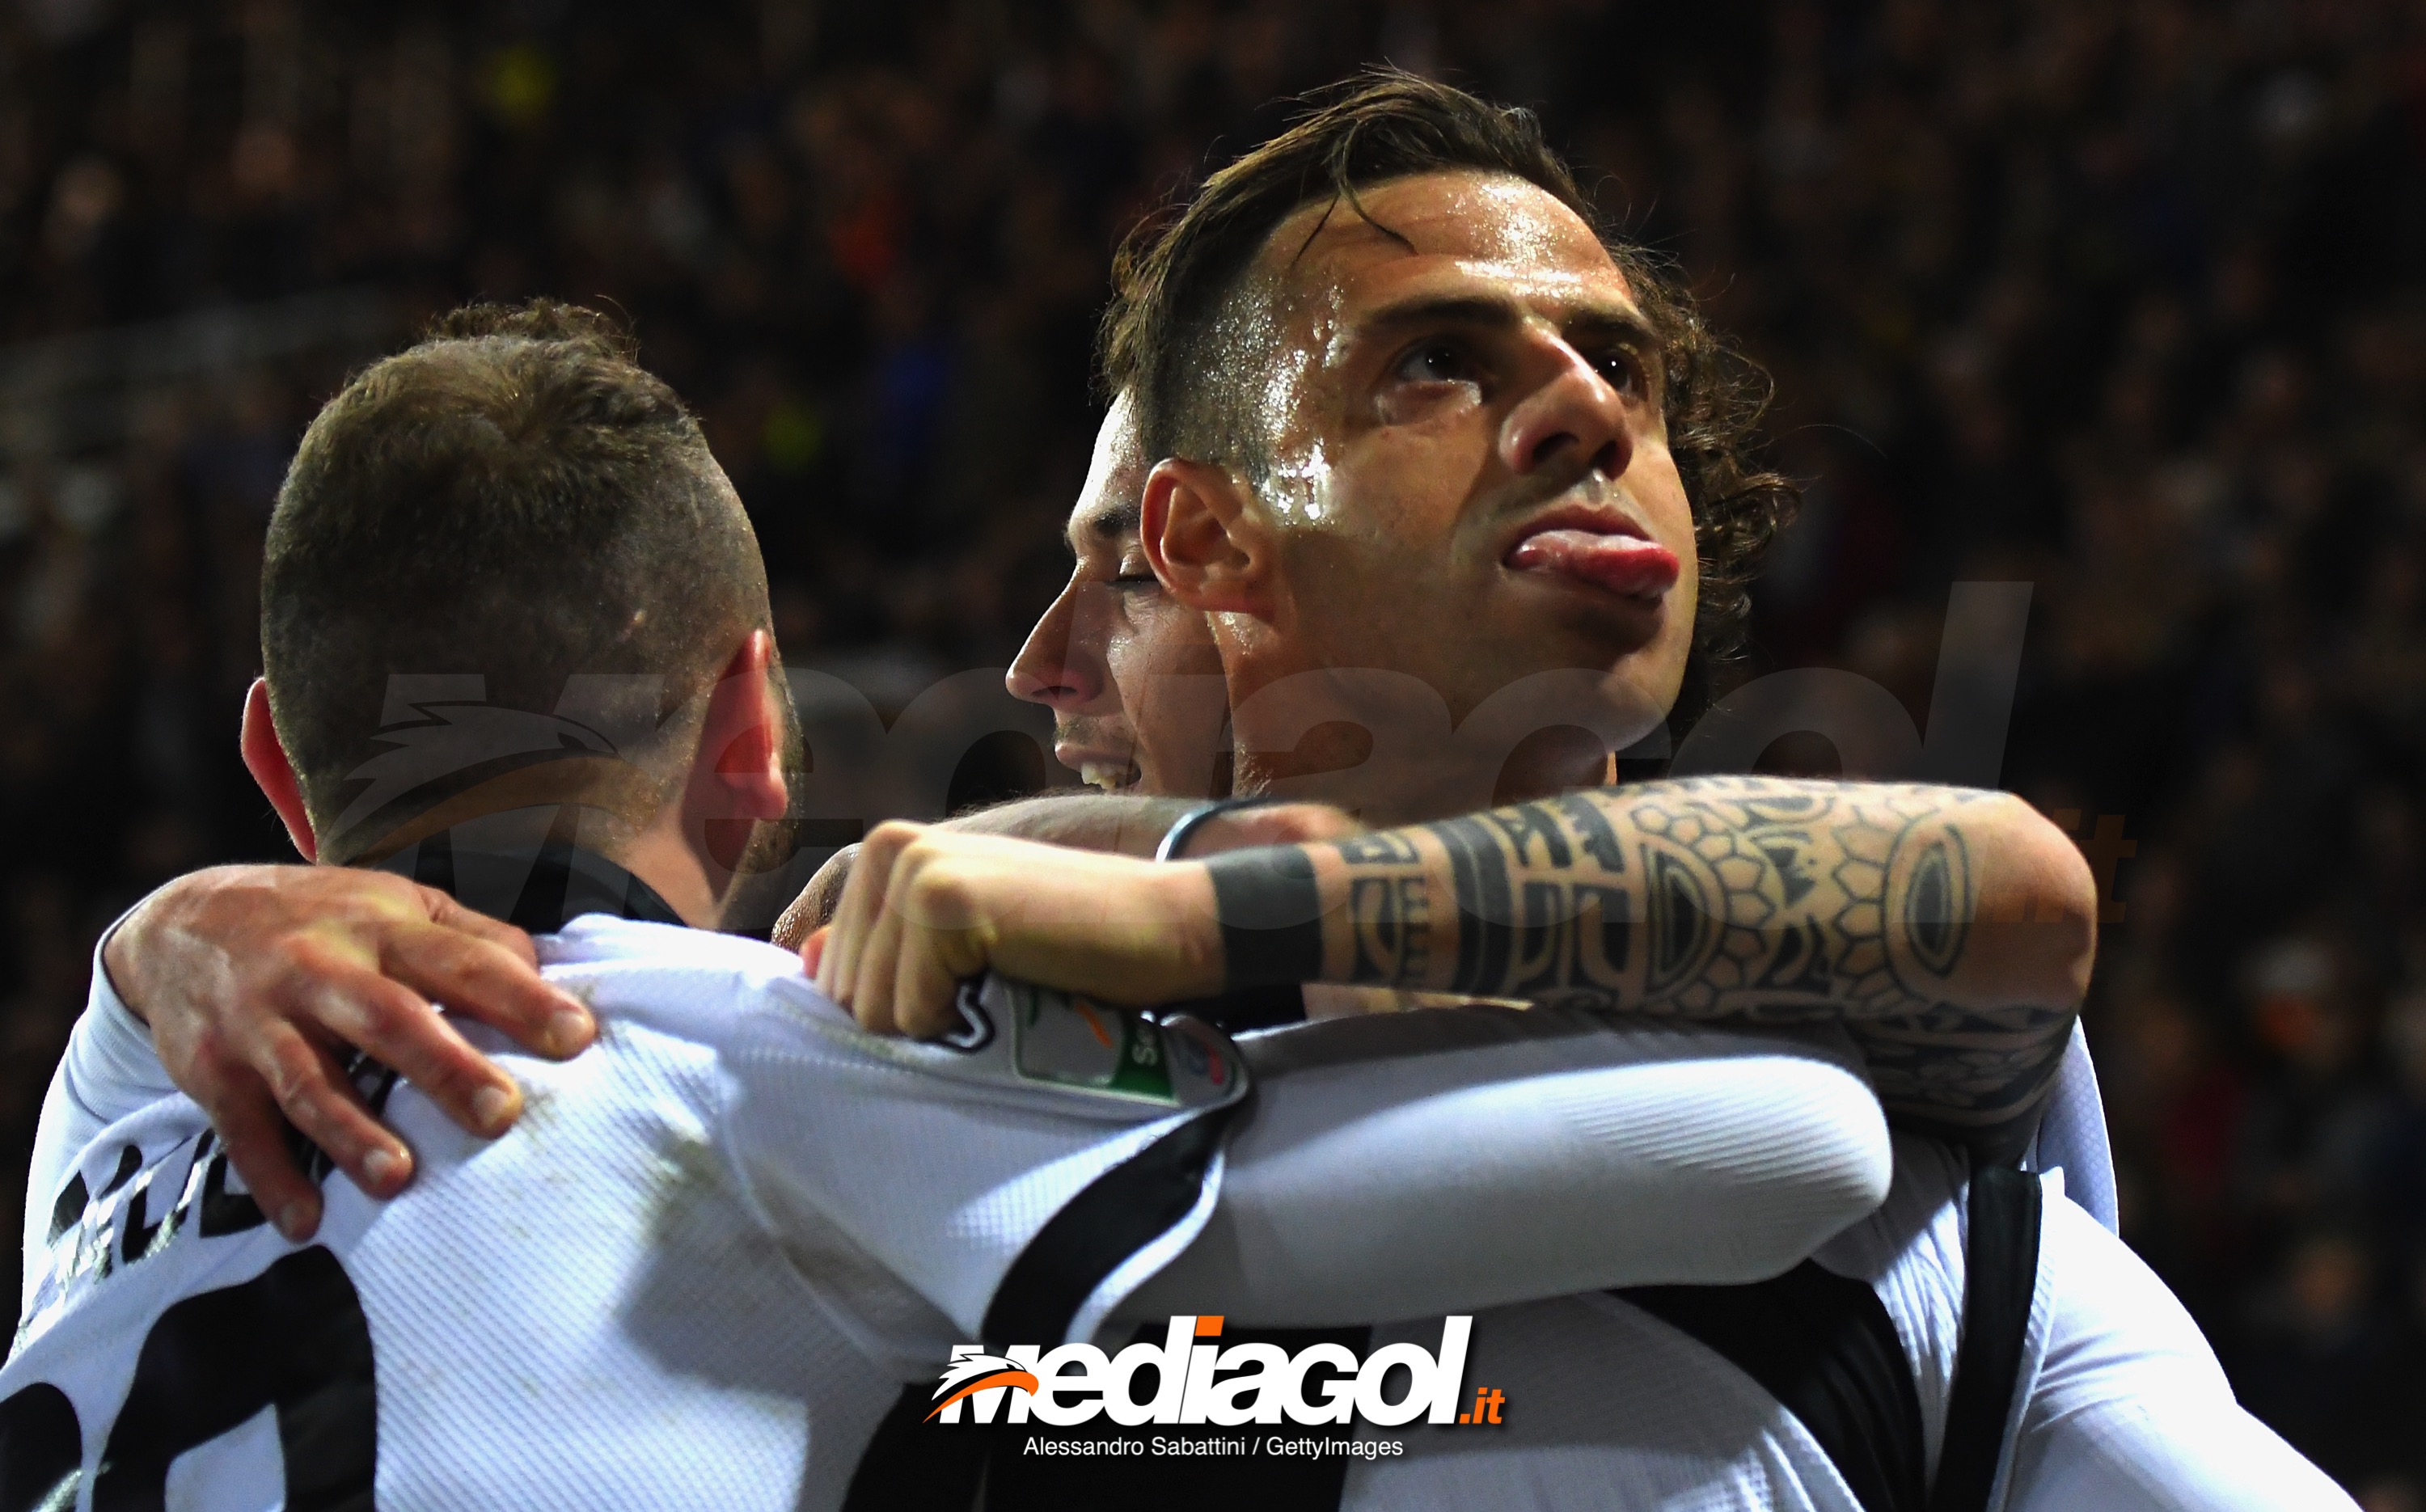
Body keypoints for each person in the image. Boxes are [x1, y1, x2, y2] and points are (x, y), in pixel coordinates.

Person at [2, 302, 1905, 1506]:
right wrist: (1191, 915)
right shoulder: (776, 1068)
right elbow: (1788, 1144)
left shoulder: (112, 1102)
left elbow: (142, 978)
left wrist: (162, 925)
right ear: (757, 724)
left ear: (274, 761)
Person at [805, 74, 2352, 1510]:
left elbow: (2014, 901)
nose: (1591, 410)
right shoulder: (919, 1105)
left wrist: (1195, 894)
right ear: (1213, 540)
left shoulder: (1923, 1216)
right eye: (1436, 362)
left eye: (1621, 364)